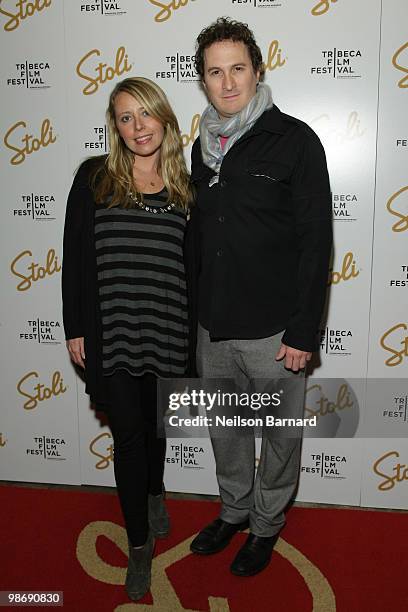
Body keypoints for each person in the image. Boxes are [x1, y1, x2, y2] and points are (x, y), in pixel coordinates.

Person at [189, 18, 332, 576]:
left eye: (237, 69)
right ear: (202, 80)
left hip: (275, 333)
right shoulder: (199, 149)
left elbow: (316, 241)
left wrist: (302, 332)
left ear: (257, 70)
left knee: (277, 438)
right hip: (213, 328)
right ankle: (233, 510)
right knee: (225, 431)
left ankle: (267, 525)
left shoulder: (295, 140)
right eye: (214, 72)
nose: (227, 83)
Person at [62, 77, 193, 601]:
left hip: (169, 328)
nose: (138, 127)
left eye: (146, 114)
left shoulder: (188, 184)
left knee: (157, 427)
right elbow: (74, 258)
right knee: (129, 440)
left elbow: (197, 267)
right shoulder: (95, 177)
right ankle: (139, 544)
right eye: (125, 117)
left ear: (164, 117)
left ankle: (156, 491)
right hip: (112, 330)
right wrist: (75, 326)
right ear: (114, 127)